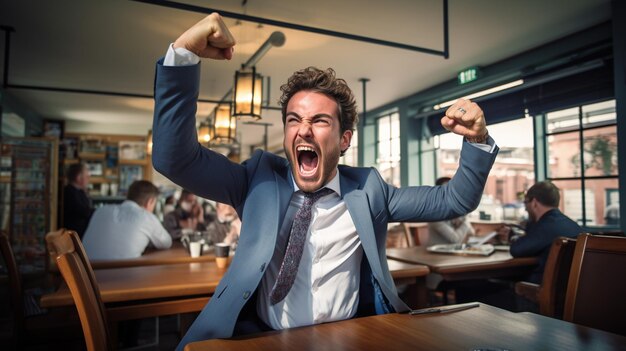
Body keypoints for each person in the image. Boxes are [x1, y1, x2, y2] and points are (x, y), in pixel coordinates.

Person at [152, 13, 498, 349]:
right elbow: (175, 159)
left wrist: (477, 142)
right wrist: (184, 54)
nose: (303, 129)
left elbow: (455, 200)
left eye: (319, 121)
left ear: (344, 140)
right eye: (293, 120)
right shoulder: (255, 179)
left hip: (349, 337)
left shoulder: (370, 190)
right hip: (260, 338)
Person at [501, 181, 583, 284]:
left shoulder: (545, 226)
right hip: (568, 294)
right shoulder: (574, 226)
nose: (526, 208)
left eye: (526, 202)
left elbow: (516, 250)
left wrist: (511, 237)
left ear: (534, 203)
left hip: (537, 293)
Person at [82, 180, 172, 260]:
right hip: (122, 275)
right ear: (150, 201)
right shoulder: (147, 217)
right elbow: (167, 243)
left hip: (85, 274)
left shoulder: (101, 210)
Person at [427, 177, 475, 246]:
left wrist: (461, 221)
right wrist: (465, 222)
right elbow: (455, 240)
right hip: (438, 255)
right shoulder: (433, 215)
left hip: (451, 253)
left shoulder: (451, 212)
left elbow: (471, 233)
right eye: (446, 191)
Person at [63, 163, 94, 238]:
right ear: (78, 178)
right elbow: (84, 212)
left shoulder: (79, 192)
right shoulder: (69, 192)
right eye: (86, 176)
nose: (88, 179)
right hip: (74, 238)